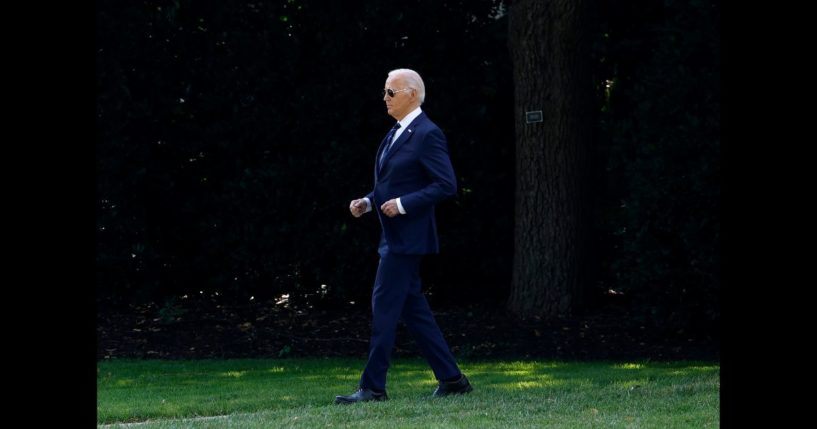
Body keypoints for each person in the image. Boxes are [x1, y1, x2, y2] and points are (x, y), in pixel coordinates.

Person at [335, 68, 473, 404]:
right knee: (414, 311)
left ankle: (373, 387)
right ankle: (453, 379)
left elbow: (446, 185)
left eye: (390, 92)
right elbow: (390, 185)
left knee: (384, 307)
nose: (384, 98)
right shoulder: (395, 133)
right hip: (394, 237)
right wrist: (369, 202)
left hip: (407, 239)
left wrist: (403, 204)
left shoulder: (428, 134)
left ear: (412, 93)